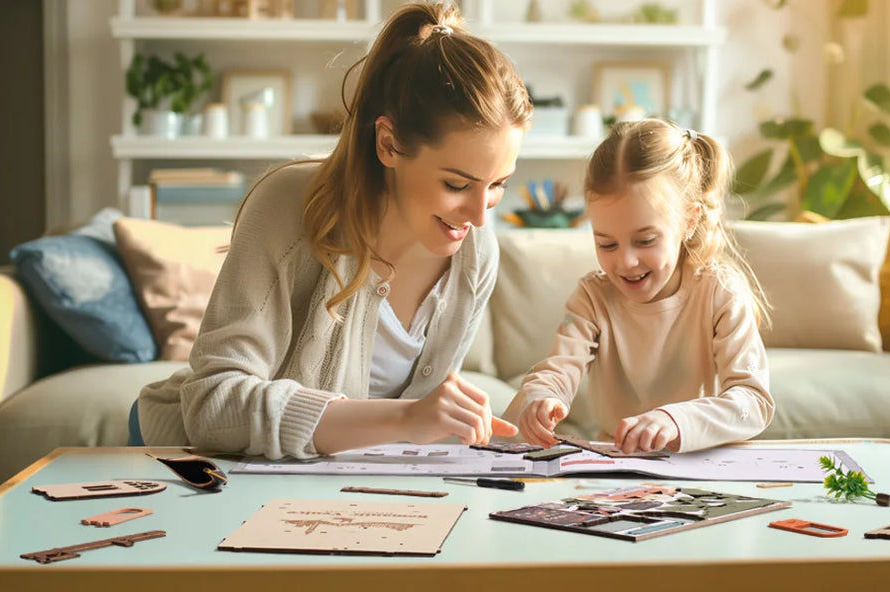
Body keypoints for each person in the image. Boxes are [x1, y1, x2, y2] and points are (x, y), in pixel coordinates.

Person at [131, 2, 531, 459]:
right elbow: (213, 406)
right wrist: (405, 419)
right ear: (388, 144)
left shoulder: (475, 252)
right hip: (188, 459)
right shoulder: (288, 203)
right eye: (456, 185)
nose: (479, 215)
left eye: (497, 184)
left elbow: (409, 436)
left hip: (327, 475)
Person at [505, 119, 776, 454]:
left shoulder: (720, 292)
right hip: (616, 465)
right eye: (606, 244)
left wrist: (674, 420)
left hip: (697, 463)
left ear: (689, 220)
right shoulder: (593, 297)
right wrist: (541, 398)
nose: (626, 262)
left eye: (645, 240)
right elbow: (559, 368)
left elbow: (753, 400)